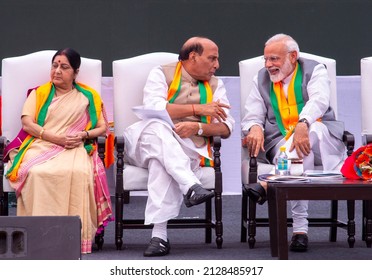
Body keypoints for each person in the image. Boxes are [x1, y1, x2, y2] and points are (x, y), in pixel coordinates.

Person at [124, 36, 235, 257]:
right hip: (143, 144)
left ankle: (160, 236)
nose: (217, 65)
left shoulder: (216, 85)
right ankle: (190, 185)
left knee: (162, 162)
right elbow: (154, 107)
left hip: (186, 149)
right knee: (157, 127)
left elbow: (226, 127)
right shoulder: (161, 73)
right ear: (193, 57)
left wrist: (198, 129)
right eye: (212, 58)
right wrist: (199, 109)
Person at [241, 33, 345, 252]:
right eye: (266, 59)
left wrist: (303, 123)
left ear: (293, 56)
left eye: (274, 59)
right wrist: (256, 127)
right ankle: (300, 231)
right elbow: (252, 114)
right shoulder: (260, 78)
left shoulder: (314, 70)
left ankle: (269, 183)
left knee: (312, 130)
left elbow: (319, 100)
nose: (268, 65)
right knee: (299, 152)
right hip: (281, 146)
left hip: (322, 141)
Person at [4, 48, 113, 254]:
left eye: (64, 67)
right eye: (54, 66)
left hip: (74, 146)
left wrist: (83, 135)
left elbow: (101, 128)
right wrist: (54, 138)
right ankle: (36, 237)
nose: (57, 71)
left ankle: (72, 239)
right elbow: (27, 123)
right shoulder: (40, 92)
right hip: (42, 144)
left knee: (79, 173)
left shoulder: (88, 96)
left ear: (75, 72)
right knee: (35, 173)